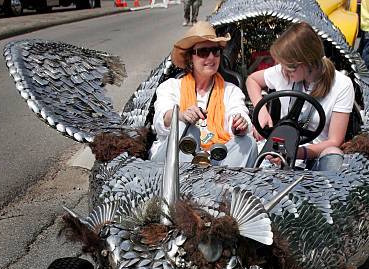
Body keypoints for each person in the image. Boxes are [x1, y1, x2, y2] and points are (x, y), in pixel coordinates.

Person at [246, 22, 355, 172]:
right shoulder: (285, 72)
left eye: (289, 67)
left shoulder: (342, 85)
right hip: (280, 149)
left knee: (333, 154)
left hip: (313, 156)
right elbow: (252, 80)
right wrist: (262, 112)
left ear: (306, 63)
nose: (284, 70)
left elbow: (334, 141)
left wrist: (297, 153)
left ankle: (325, 194)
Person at [150, 22, 258, 167]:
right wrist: (181, 115)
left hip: (216, 159)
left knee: (248, 142)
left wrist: (240, 124)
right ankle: (188, 185)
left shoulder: (231, 90)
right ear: (190, 58)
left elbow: (238, 112)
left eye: (215, 51)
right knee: (186, 129)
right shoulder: (171, 87)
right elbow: (162, 117)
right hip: (172, 166)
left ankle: (219, 187)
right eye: (203, 52)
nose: (211, 57)